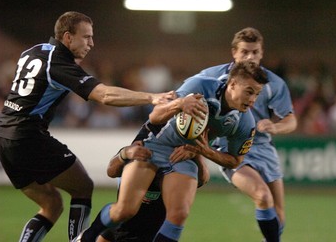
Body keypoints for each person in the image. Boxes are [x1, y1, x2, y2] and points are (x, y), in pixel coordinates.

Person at [0, 11, 175, 242]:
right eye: (86, 37)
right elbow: (105, 95)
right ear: (68, 38)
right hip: (28, 136)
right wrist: (151, 97)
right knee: (83, 188)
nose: (91, 43)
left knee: (51, 205)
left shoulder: (34, 51)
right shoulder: (59, 63)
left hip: (3, 137)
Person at [74, 60, 269, 242]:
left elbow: (235, 161)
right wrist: (179, 104)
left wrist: (205, 151)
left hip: (185, 155)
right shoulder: (200, 86)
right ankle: (86, 237)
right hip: (154, 143)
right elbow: (155, 115)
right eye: (249, 92)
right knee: (125, 210)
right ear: (233, 84)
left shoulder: (245, 122)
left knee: (178, 213)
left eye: (257, 94)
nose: (252, 100)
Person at [196, 27, 297, 242]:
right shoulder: (214, 76)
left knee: (278, 214)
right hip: (231, 147)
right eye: (244, 52)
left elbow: (291, 120)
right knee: (262, 196)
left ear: (261, 53)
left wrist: (275, 126)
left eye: (255, 52)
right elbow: (188, 93)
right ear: (234, 52)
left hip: (263, 147)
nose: (250, 57)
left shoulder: (273, 83)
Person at [97, 121, 210, 242]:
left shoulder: (179, 158)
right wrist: (124, 154)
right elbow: (111, 171)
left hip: (153, 233)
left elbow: (202, 179)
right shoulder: (139, 150)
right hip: (120, 230)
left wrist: (197, 153)